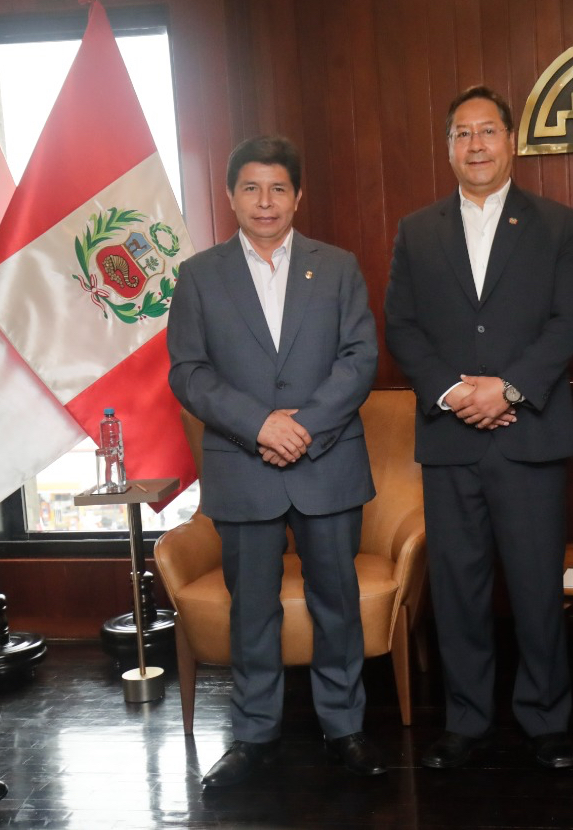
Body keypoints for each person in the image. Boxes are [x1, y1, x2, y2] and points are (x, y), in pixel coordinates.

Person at [167, 136, 383, 787]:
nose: (266, 201)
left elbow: (360, 359)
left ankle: (344, 728)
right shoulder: (199, 275)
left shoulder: (338, 266)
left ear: (298, 197)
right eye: (252, 188)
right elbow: (189, 372)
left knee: (336, 602)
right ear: (231, 197)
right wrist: (258, 424)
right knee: (251, 608)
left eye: (279, 188)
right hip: (243, 463)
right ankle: (253, 735)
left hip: (327, 461)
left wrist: (304, 426)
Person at [384, 86, 573, 771]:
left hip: (527, 434)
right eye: (462, 134)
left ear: (511, 141)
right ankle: (466, 719)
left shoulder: (556, 224)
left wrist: (508, 387)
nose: (476, 145)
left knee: (536, 586)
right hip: (450, 438)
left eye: (488, 131)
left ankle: (546, 717)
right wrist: (451, 392)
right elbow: (402, 326)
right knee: (458, 586)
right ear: (448, 148)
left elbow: (568, 321)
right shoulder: (416, 230)